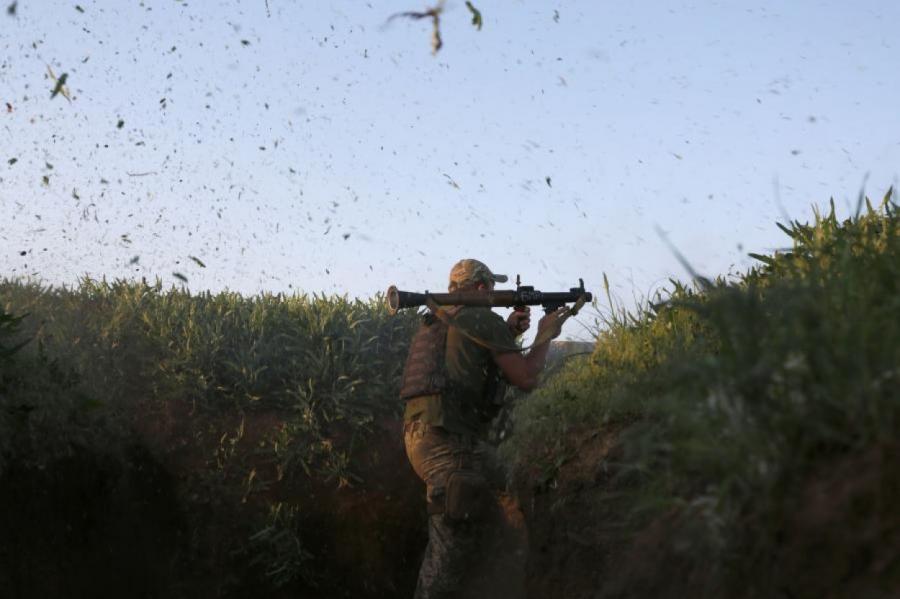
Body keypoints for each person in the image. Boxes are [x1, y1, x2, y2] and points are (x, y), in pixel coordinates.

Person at [400, 258, 565, 599]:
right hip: (449, 446)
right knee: (448, 556)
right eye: (491, 288)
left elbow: (470, 359)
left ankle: (512, 566)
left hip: (422, 438)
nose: (494, 293)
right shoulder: (481, 318)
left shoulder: (438, 318)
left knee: (511, 481)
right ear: (480, 288)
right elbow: (527, 378)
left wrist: (510, 332)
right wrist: (545, 332)